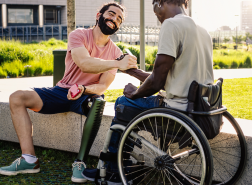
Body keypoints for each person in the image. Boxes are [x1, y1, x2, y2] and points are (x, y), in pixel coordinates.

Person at [0, 2, 137, 184]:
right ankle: (29, 159)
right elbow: (84, 62)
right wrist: (117, 63)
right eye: (111, 14)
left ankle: (80, 163)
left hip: (86, 96)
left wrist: (84, 89)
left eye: (119, 19)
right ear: (98, 15)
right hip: (62, 91)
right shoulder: (78, 35)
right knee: (17, 97)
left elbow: (102, 86)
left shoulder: (115, 51)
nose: (114, 20)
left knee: (99, 101)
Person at [82, 0, 214, 183]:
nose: (157, 16)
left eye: (155, 10)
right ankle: (123, 161)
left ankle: (113, 171)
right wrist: (134, 72)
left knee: (122, 104)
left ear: (160, 3)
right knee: (132, 103)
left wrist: (135, 93)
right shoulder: (202, 30)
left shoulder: (171, 24)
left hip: (176, 111)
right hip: (199, 110)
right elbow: (172, 78)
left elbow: (157, 81)